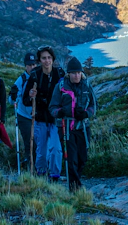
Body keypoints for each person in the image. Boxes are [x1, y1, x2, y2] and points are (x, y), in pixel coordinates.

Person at [49, 58, 96, 189]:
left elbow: (93, 105)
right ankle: (75, 188)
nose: (76, 75)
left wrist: (86, 113)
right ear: (68, 74)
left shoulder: (87, 86)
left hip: (83, 127)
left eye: (78, 73)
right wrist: (60, 112)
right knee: (71, 159)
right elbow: (52, 107)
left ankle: (76, 181)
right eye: (73, 73)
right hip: (66, 128)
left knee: (82, 158)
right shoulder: (61, 87)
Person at [23, 46, 65, 180]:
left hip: (55, 119)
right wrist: (31, 96)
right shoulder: (35, 75)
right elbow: (25, 100)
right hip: (40, 118)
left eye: (49, 58)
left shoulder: (60, 74)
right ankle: (41, 174)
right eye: (43, 58)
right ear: (40, 60)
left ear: (53, 59)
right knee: (41, 151)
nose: (47, 61)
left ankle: (54, 176)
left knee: (56, 149)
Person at [10, 52, 38, 171]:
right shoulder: (20, 80)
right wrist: (13, 96)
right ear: (25, 66)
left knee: (39, 142)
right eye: (29, 65)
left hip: (38, 116)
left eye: (34, 64)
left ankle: (40, 167)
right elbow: (11, 100)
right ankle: (30, 167)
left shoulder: (40, 76)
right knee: (29, 142)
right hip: (24, 116)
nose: (32, 67)